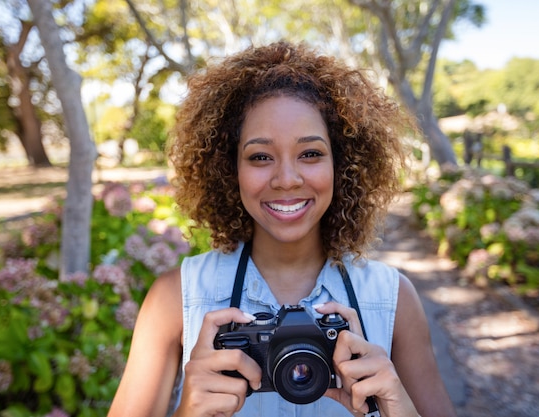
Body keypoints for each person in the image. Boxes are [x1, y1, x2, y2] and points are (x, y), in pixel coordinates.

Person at [108, 41, 457, 417]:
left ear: (342, 164)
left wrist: (398, 408)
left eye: (310, 154)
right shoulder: (175, 299)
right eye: (260, 157)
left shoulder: (393, 299)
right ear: (230, 169)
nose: (287, 179)